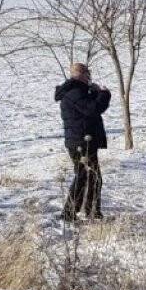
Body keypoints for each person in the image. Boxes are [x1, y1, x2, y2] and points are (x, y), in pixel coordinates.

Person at [55, 63, 110, 222]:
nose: (89, 78)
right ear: (80, 74)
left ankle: (91, 211)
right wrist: (105, 94)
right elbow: (92, 109)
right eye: (87, 75)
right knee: (85, 176)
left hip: (83, 140)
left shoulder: (77, 91)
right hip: (81, 142)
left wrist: (94, 92)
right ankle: (69, 213)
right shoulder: (74, 92)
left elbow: (87, 108)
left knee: (92, 177)